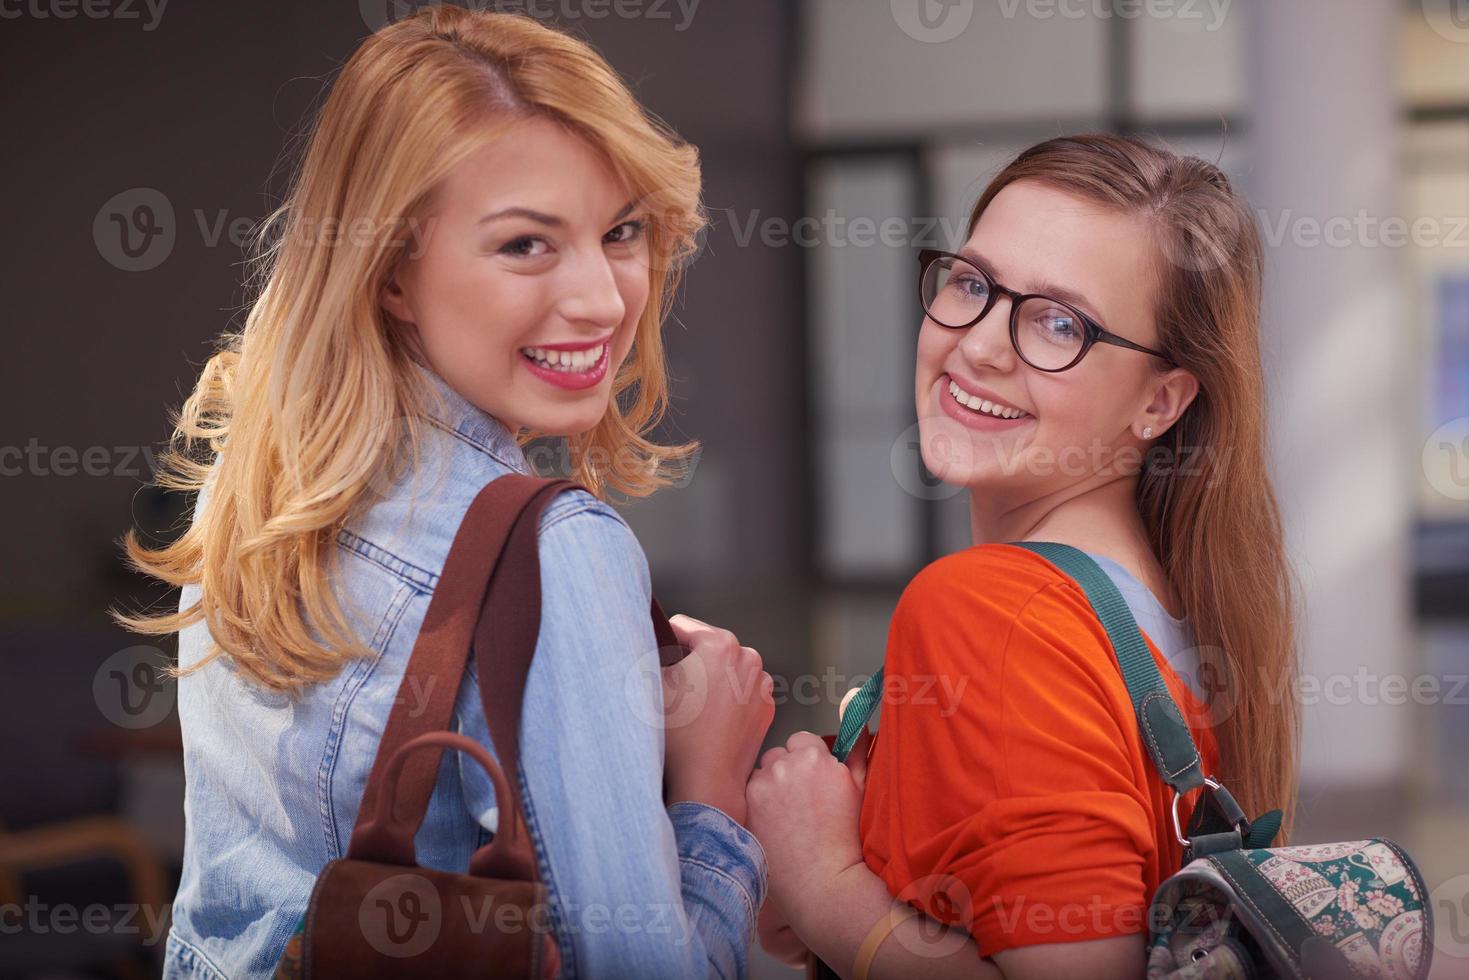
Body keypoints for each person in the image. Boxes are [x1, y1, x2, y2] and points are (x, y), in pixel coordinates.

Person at [115, 8, 773, 978]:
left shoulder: (249, 497)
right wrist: (712, 784)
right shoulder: (552, 550)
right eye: (525, 245)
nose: (601, 297)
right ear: (389, 272)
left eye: (620, 230)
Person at [747, 134, 1299, 980]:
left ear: (1159, 401)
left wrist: (827, 884)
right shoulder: (1177, 608)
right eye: (971, 284)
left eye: (1057, 323)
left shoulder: (996, 611)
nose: (978, 347)